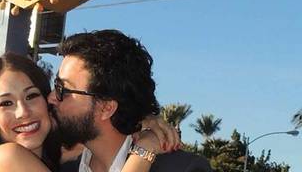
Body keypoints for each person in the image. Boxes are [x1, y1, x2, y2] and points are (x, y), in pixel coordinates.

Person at [0, 52, 179, 172]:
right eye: (6, 104)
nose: (23, 112)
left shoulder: (67, 159)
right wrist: (144, 150)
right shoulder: (6, 158)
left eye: (31, 96)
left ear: (47, 100)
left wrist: (141, 120)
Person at [50, 30, 212, 172]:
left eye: (62, 90)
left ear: (106, 107)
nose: (51, 98)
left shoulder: (182, 168)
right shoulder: (63, 168)